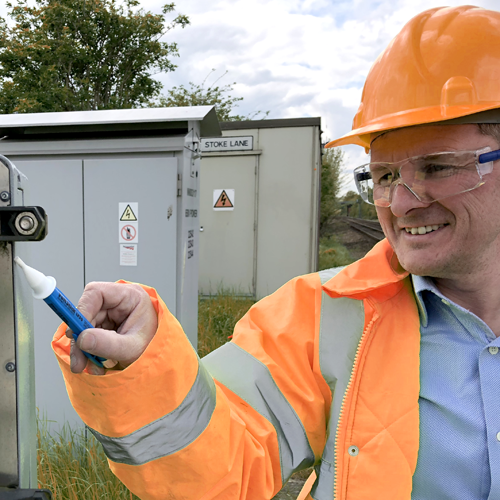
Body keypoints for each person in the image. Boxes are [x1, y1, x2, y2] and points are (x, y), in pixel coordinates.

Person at [52, 5, 500, 499]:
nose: (399, 203)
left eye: (437, 167)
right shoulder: (323, 316)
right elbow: (227, 473)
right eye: (385, 176)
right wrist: (144, 370)